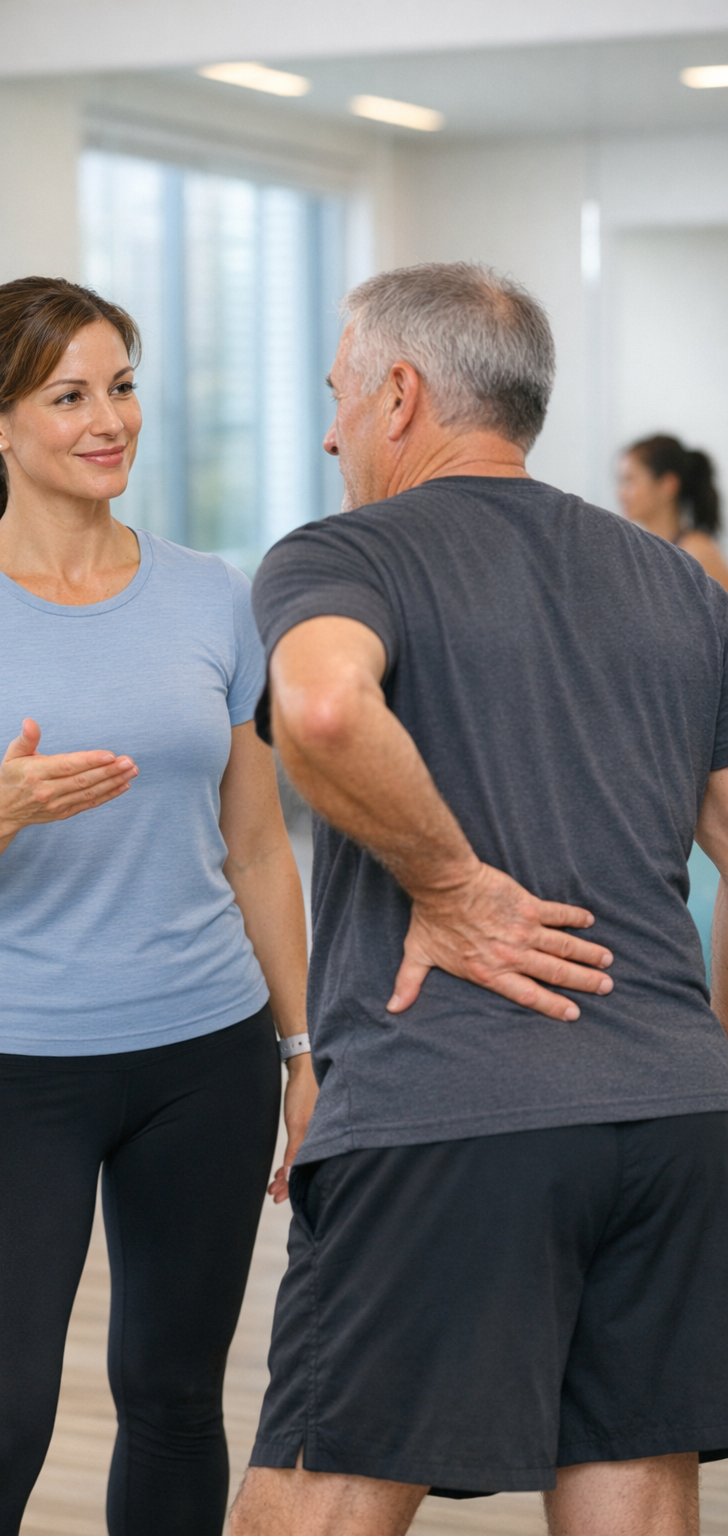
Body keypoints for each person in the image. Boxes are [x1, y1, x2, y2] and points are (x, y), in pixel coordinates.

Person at [230, 262, 728, 1536]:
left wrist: (450, 887)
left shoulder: (344, 552)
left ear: (399, 394)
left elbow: (321, 708)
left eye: (338, 394)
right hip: (674, 1117)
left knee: (321, 1495)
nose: (330, 431)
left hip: (443, 1110)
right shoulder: (675, 580)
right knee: (634, 1478)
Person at [0, 276, 314, 1536]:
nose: (109, 420)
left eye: (121, 387)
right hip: (15, 1067)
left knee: (174, 1403)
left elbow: (258, 848)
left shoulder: (212, 595)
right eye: (69, 396)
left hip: (207, 1057)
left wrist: (303, 1051)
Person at [618, 433, 728, 591]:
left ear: (668, 484)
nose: (620, 493)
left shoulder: (697, 552)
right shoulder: (635, 551)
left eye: (630, 480)